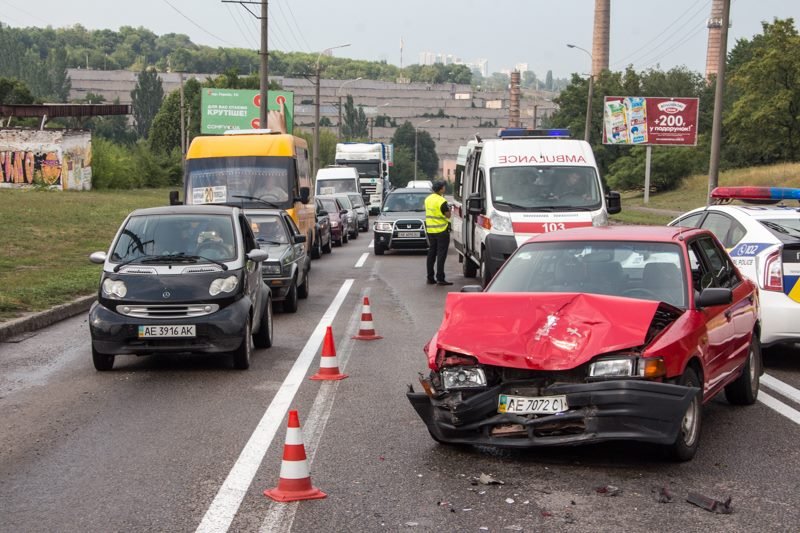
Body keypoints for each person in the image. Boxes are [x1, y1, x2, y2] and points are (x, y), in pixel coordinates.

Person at [425, 180, 453, 286]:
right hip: (442, 230)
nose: (444, 188)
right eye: (444, 187)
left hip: (430, 230)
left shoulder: (427, 199)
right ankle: (440, 278)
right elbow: (448, 215)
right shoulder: (442, 201)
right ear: (441, 189)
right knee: (441, 255)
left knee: (431, 254)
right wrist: (449, 209)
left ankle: (430, 277)